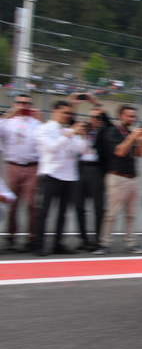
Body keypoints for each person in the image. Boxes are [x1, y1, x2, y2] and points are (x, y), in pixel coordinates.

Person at [31, 100, 88, 255]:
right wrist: (70, 134)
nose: (67, 116)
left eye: (69, 113)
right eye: (64, 112)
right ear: (54, 112)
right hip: (50, 174)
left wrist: (83, 136)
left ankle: (58, 243)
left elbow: (82, 150)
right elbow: (51, 147)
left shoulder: (70, 130)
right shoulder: (44, 128)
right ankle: (39, 244)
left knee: (63, 213)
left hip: (69, 176)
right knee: (43, 212)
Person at [93, 105, 142, 255]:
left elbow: (139, 154)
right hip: (117, 177)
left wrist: (141, 140)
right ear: (120, 116)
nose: (132, 119)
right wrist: (132, 137)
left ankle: (131, 243)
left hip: (132, 178)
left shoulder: (130, 133)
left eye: (133, 116)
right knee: (111, 214)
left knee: (131, 214)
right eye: (129, 116)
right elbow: (119, 151)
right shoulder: (112, 131)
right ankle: (104, 243)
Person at [0, 94, 42, 251]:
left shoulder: (36, 123)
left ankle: (32, 238)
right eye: (20, 103)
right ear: (14, 103)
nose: (23, 106)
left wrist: (40, 119)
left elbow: (45, 137)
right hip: (12, 166)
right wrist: (8, 114)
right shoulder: (7, 122)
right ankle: (11, 237)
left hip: (31, 167)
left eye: (27, 103)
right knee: (13, 204)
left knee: (32, 204)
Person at [74, 102, 112, 251]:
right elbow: (70, 117)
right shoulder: (83, 129)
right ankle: (83, 239)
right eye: (93, 117)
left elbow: (109, 123)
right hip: (80, 168)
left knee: (98, 206)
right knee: (78, 205)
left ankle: (97, 240)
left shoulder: (104, 132)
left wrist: (96, 103)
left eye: (98, 117)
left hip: (97, 170)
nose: (95, 120)